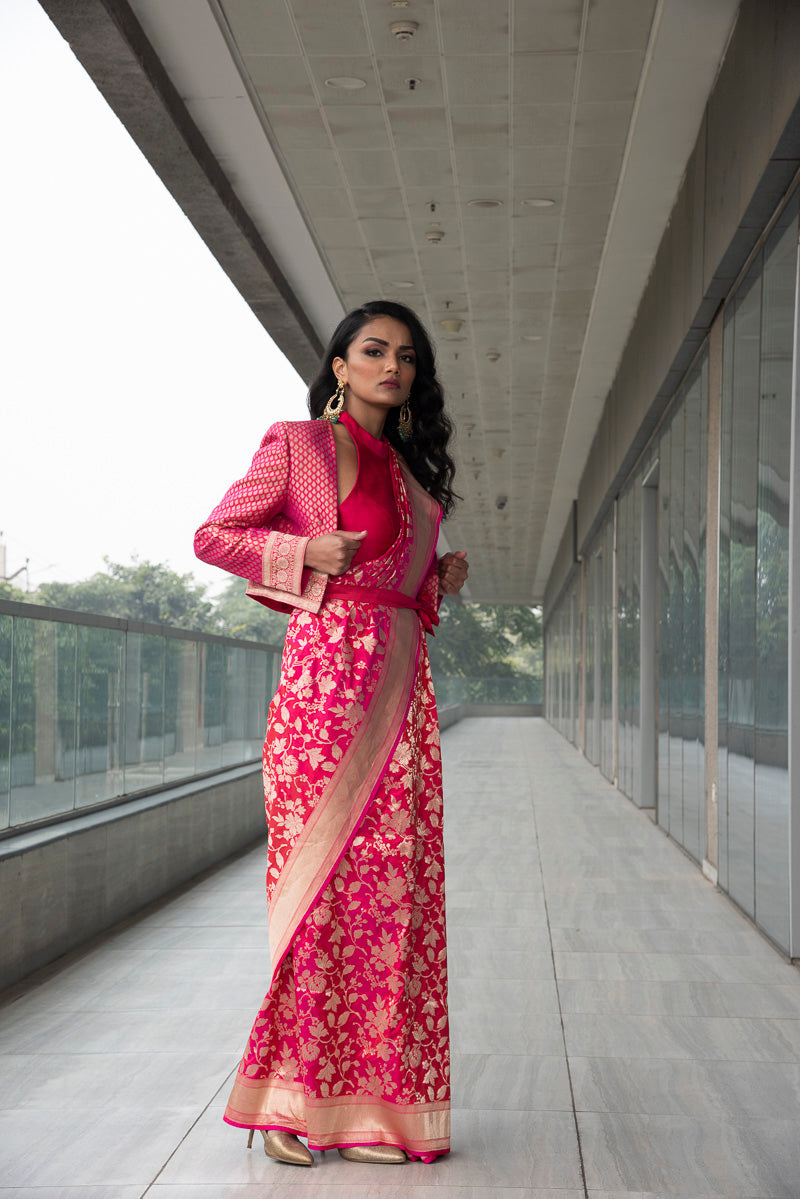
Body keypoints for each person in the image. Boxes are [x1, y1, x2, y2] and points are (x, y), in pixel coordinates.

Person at [194, 300, 468, 1168]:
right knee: (315, 899)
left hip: (398, 703)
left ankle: (372, 1110)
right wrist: (304, 553)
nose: (394, 366)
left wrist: (439, 577)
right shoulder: (297, 447)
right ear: (340, 365)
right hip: (320, 701)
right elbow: (214, 535)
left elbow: (404, 598)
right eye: (375, 350)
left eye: (408, 357)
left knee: (391, 897)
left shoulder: (414, 477)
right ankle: (288, 1105)